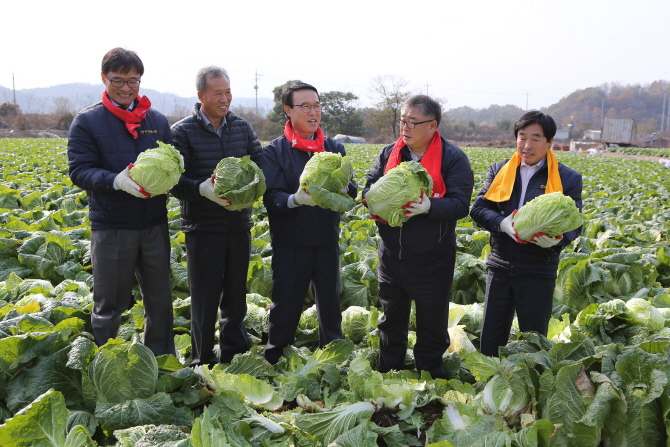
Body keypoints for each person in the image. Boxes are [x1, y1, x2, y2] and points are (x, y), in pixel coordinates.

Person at [68, 48, 175, 356]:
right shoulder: (87, 122)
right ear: (104, 79)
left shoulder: (155, 120)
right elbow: (80, 170)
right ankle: (106, 363)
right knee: (110, 303)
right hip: (112, 225)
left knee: (159, 299)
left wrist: (169, 182)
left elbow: (171, 163)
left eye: (134, 80)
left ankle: (163, 362)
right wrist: (116, 180)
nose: (127, 87)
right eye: (118, 79)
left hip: (154, 223)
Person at [363, 95, 474, 379]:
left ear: (432, 125)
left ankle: (430, 378)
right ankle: (389, 375)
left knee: (432, 325)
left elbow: (461, 204)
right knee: (391, 322)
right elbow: (369, 187)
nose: (405, 127)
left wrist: (430, 207)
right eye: (402, 121)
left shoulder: (453, 158)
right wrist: (372, 198)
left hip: (432, 259)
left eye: (413, 122)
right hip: (391, 256)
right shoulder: (389, 153)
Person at [470, 111, 583, 357]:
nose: (527, 145)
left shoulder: (568, 178)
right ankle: (490, 380)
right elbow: (478, 208)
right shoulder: (500, 170)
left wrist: (559, 239)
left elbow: (576, 223)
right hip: (500, 264)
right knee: (491, 336)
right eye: (522, 137)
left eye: (535, 138)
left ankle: (532, 388)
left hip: (538, 267)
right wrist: (502, 224)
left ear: (550, 142)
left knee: (534, 339)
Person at [171, 66, 262, 366]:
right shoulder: (182, 132)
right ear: (201, 95)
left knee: (236, 296)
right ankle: (201, 358)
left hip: (238, 225)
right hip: (202, 227)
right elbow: (174, 181)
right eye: (217, 93)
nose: (225, 99)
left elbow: (260, 166)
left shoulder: (242, 128)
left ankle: (233, 356)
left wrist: (251, 193)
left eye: (228, 92)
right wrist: (202, 189)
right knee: (205, 298)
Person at [261, 82, 357, 364]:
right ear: (288, 110)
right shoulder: (274, 151)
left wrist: (341, 191)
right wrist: (296, 199)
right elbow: (271, 196)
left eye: (316, 105)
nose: (313, 111)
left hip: (326, 239)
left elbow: (351, 188)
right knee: (286, 304)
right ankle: (276, 356)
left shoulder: (333, 147)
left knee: (329, 304)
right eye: (305, 106)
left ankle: (334, 359)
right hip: (290, 242)